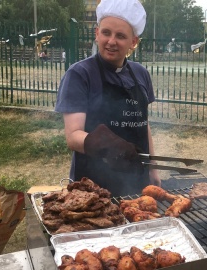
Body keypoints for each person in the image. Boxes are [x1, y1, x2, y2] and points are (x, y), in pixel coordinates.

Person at [55, 0, 160, 197]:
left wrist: (152, 167)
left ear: (133, 42)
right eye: (106, 33)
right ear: (97, 34)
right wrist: (112, 147)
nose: (111, 41)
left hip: (136, 180)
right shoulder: (80, 74)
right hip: (93, 185)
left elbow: (143, 125)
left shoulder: (141, 74)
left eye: (120, 36)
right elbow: (73, 136)